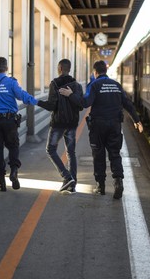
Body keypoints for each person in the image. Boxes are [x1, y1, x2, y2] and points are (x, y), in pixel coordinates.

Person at [59, 60, 143, 199]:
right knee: (115, 154)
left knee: (99, 156)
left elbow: (85, 102)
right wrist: (137, 120)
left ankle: (101, 187)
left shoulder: (95, 85)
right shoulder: (116, 85)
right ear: (105, 71)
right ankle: (118, 182)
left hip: (98, 126)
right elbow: (127, 104)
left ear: (95, 72)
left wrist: (71, 95)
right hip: (115, 125)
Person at [0, 57, 38, 192]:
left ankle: (1, 182)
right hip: (9, 121)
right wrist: (37, 102)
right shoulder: (11, 83)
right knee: (13, 146)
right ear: (6, 68)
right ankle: (14, 171)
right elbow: (22, 96)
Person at [37, 59, 83, 194]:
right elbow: (80, 105)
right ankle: (72, 183)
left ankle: (66, 176)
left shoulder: (55, 84)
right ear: (70, 68)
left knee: (50, 149)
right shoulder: (77, 86)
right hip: (72, 124)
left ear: (60, 68)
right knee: (71, 152)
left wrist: (38, 102)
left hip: (58, 124)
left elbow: (52, 106)